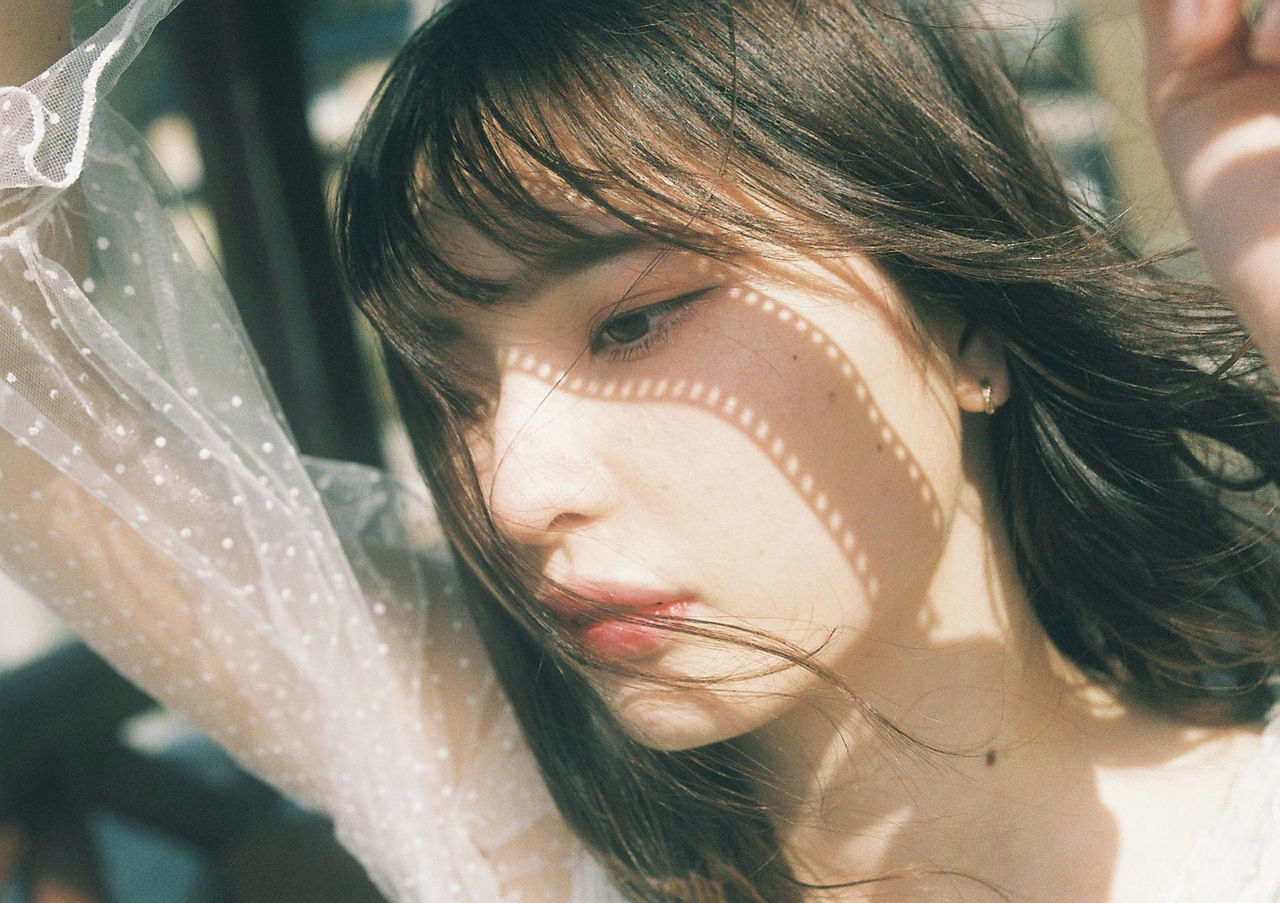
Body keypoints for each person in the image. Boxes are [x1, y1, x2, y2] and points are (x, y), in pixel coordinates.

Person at [2, 0, 1280, 901]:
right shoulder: (514, 822)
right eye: (453, 393)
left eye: (630, 322)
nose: (510, 492)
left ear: (962, 321)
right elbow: (29, 398)